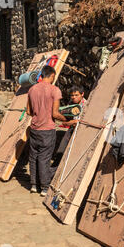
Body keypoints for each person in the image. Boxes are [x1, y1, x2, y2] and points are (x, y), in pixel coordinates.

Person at [26, 65, 67, 196]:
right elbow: (55, 114)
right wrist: (65, 119)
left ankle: (33, 185)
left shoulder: (32, 89)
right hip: (47, 129)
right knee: (44, 157)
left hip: (34, 129)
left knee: (34, 156)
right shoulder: (55, 90)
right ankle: (44, 187)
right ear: (52, 76)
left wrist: (39, 113)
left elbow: (28, 111)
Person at [52, 86, 86, 170]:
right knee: (61, 151)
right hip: (71, 130)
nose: (74, 97)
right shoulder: (71, 105)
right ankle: (52, 172)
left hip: (82, 132)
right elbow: (64, 121)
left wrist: (75, 122)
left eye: (76, 95)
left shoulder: (87, 105)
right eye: (72, 95)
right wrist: (72, 122)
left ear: (82, 94)